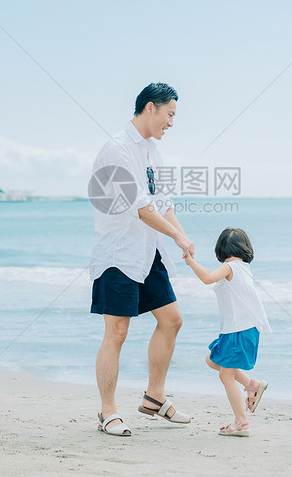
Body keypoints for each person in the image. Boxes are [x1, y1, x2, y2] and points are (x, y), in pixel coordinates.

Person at [89, 82, 195, 437]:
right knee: (117, 331)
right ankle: (108, 413)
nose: (171, 123)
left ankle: (154, 397)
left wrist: (182, 235)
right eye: (170, 115)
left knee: (172, 320)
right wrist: (175, 234)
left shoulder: (152, 151)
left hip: (148, 252)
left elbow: (162, 202)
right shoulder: (117, 150)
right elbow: (141, 208)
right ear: (151, 108)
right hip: (118, 254)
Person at [184, 227, 271, 437]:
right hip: (239, 330)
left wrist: (190, 261)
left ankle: (242, 423)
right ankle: (252, 384)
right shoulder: (243, 267)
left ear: (221, 249)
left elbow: (207, 278)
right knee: (213, 360)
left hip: (238, 330)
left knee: (225, 376)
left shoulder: (230, 266)